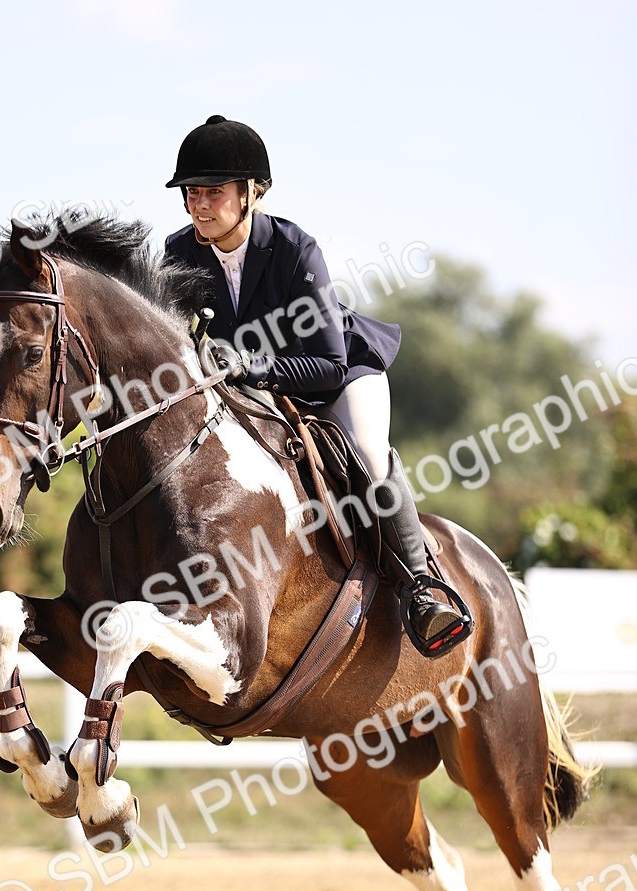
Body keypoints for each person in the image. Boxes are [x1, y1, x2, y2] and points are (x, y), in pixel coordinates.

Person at [164, 114, 468, 657]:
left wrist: (251, 364)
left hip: (339, 374)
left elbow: (326, 364)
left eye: (213, 192)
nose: (199, 205)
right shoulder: (179, 253)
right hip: (250, 390)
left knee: (368, 452)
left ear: (252, 192)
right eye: (191, 193)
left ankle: (422, 587)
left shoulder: (294, 250)